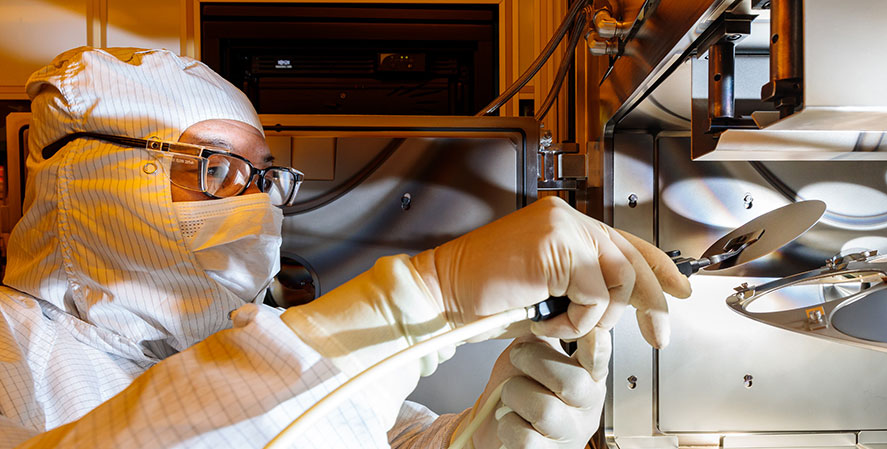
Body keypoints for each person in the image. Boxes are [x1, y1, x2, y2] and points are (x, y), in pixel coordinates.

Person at [0, 47, 690, 448]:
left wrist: (478, 435)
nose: (256, 203)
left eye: (265, 177)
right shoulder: (14, 354)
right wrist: (430, 295)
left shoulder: (239, 334)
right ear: (90, 175)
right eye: (219, 168)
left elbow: (373, 434)